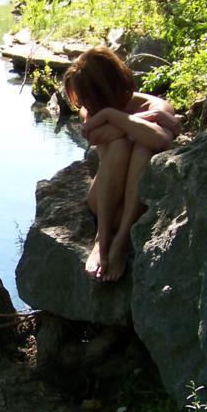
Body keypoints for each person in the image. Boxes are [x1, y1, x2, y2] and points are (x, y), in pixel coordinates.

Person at [62, 46, 181, 282]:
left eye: (88, 98)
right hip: (104, 203)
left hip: (136, 208)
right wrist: (129, 118)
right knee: (120, 146)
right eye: (81, 101)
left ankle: (121, 241)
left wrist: (113, 117)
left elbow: (157, 140)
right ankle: (101, 239)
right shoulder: (92, 113)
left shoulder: (155, 106)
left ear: (106, 88)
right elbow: (159, 134)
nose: (84, 106)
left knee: (143, 148)